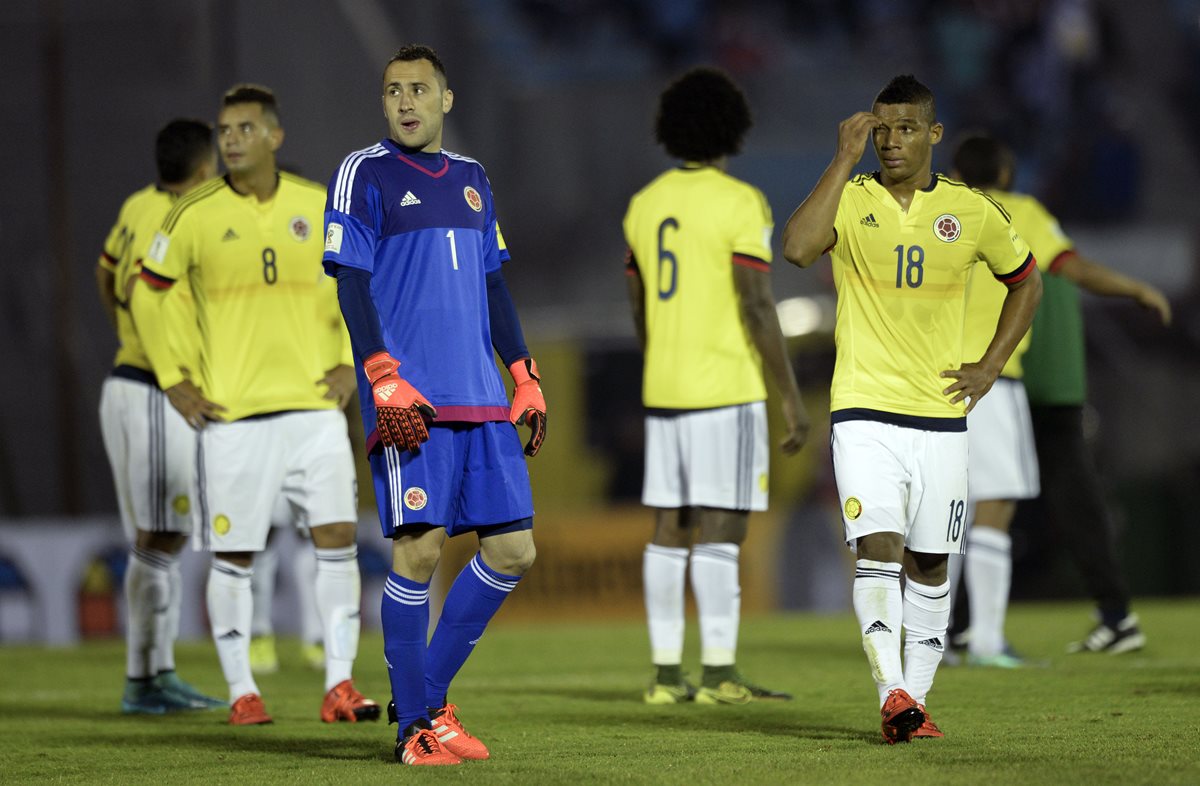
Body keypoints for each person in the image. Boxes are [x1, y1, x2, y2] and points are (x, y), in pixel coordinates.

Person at [780, 75, 1042, 744]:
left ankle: (913, 704)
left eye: (905, 128)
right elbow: (797, 248)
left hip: (941, 416)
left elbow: (1026, 281)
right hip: (864, 410)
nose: (891, 141)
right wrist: (841, 158)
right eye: (881, 129)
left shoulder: (971, 210)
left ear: (934, 133)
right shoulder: (851, 196)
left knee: (930, 564)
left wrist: (991, 365)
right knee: (878, 548)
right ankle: (891, 693)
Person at [322, 45, 546, 767]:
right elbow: (350, 280)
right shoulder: (364, 173)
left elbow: (494, 285)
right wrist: (379, 372)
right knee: (418, 551)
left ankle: (429, 702)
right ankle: (413, 729)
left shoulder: (474, 180)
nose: (405, 102)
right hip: (410, 401)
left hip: (482, 398)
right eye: (393, 91)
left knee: (513, 550)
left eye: (419, 89)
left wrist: (524, 375)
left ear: (446, 99)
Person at [133, 84, 376, 727]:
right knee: (235, 556)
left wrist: (350, 360)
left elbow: (360, 282)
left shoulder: (318, 204)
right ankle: (243, 690)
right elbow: (145, 291)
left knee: (338, 542)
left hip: (314, 413)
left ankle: (340, 683)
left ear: (274, 135)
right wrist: (172, 378)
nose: (231, 140)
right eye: (224, 131)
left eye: (244, 128)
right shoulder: (193, 213)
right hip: (233, 420)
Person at [622, 66, 809, 706]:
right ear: (733, 128)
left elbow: (639, 305)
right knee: (722, 527)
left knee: (670, 527)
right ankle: (720, 674)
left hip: (665, 388)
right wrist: (789, 396)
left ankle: (664, 677)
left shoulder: (644, 204)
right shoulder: (740, 202)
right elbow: (756, 303)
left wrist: (661, 361)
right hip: (725, 387)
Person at [948, 134, 1170, 656]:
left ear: (956, 174)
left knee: (943, 512)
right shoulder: (1019, 211)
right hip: (993, 376)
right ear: (1006, 174)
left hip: (934, 378)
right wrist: (1136, 288)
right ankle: (984, 641)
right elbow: (1073, 268)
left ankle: (941, 636)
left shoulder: (942, 214)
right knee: (995, 507)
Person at [97, 118, 225, 715]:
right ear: (202, 169)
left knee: (161, 537)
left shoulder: (136, 204)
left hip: (138, 384)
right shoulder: (178, 218)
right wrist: (152, 349)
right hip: (155, 390)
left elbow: (106, 274)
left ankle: (157, 673)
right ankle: (143, 679)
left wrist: (126, 331)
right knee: (160, 535)